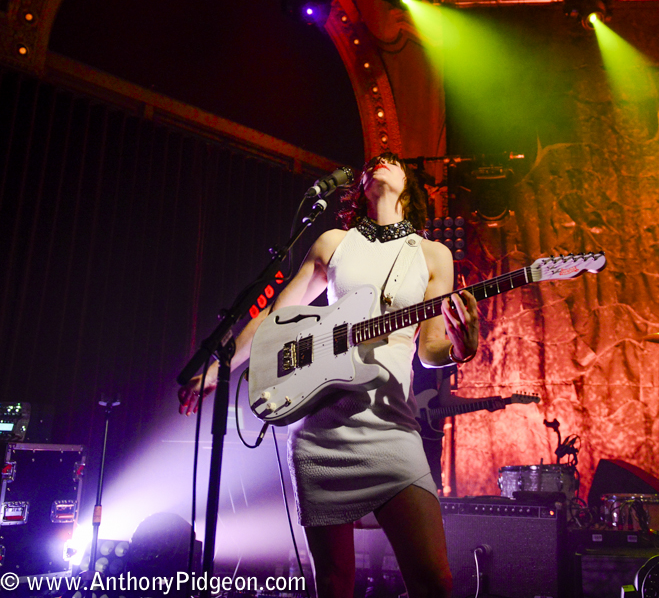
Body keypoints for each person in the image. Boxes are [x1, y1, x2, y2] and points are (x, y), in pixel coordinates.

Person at [178, 152, 478, 598]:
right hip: (322, 429)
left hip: (392, 427)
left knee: (434, 580)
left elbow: (433, 352)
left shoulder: (432, 255)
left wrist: (462, 344)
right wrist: (217, 370)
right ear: (358, 185)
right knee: (334, 583)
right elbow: (273, 322)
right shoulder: (333, 242)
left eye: (393, 160)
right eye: (375, 160)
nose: (381, 162)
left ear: (410, 187)